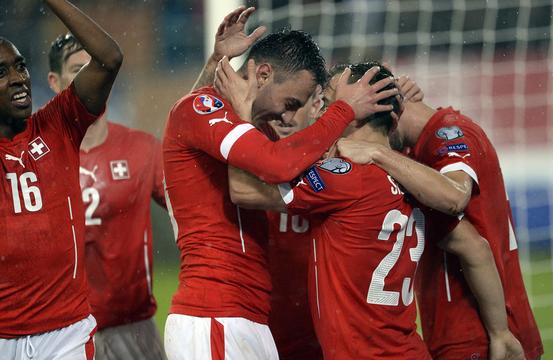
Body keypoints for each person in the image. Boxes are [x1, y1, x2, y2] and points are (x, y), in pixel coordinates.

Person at [162, 26, 397, 359]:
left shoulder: (250, 128)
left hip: (249, 317)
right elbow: (275, 165)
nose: (287, 116)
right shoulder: (201, 109)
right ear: (263, 74)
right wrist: (344, 110)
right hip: (213, 311)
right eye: (289, 102)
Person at [226, 62, 429, 359]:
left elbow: (242, 191)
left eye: (334, 103)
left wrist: (242, 115)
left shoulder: (342, 175)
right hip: (406, 348)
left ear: (361, 112)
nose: (326, 113)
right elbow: (472, 240)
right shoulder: (413, 177)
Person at [336, 73, 543, 359]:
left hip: (478, 336)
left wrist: (377, 152)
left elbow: (456, 197)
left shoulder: (449, 134)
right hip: (475, 333)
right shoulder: (419, 151)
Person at [0, 0, 122, 358]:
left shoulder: (57, 124)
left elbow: (109, 58)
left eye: (20, 66)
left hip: (64, 332)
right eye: (1, 72)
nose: (19, 79)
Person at [47, 33, 166, 359]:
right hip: (62, 333)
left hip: (134, 328)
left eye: (96, 66)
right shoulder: (38, 160)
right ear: (55, 82)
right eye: (77, 69)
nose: (91, 77)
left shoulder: (142, 149)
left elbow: (189, 203)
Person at [267, 85, 324, 359]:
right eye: (278, 105)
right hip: (263, 335)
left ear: (316, 104)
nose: (282, 115)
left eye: (293, 104)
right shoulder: (246, 165)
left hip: (326, 338)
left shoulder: (340, 164)